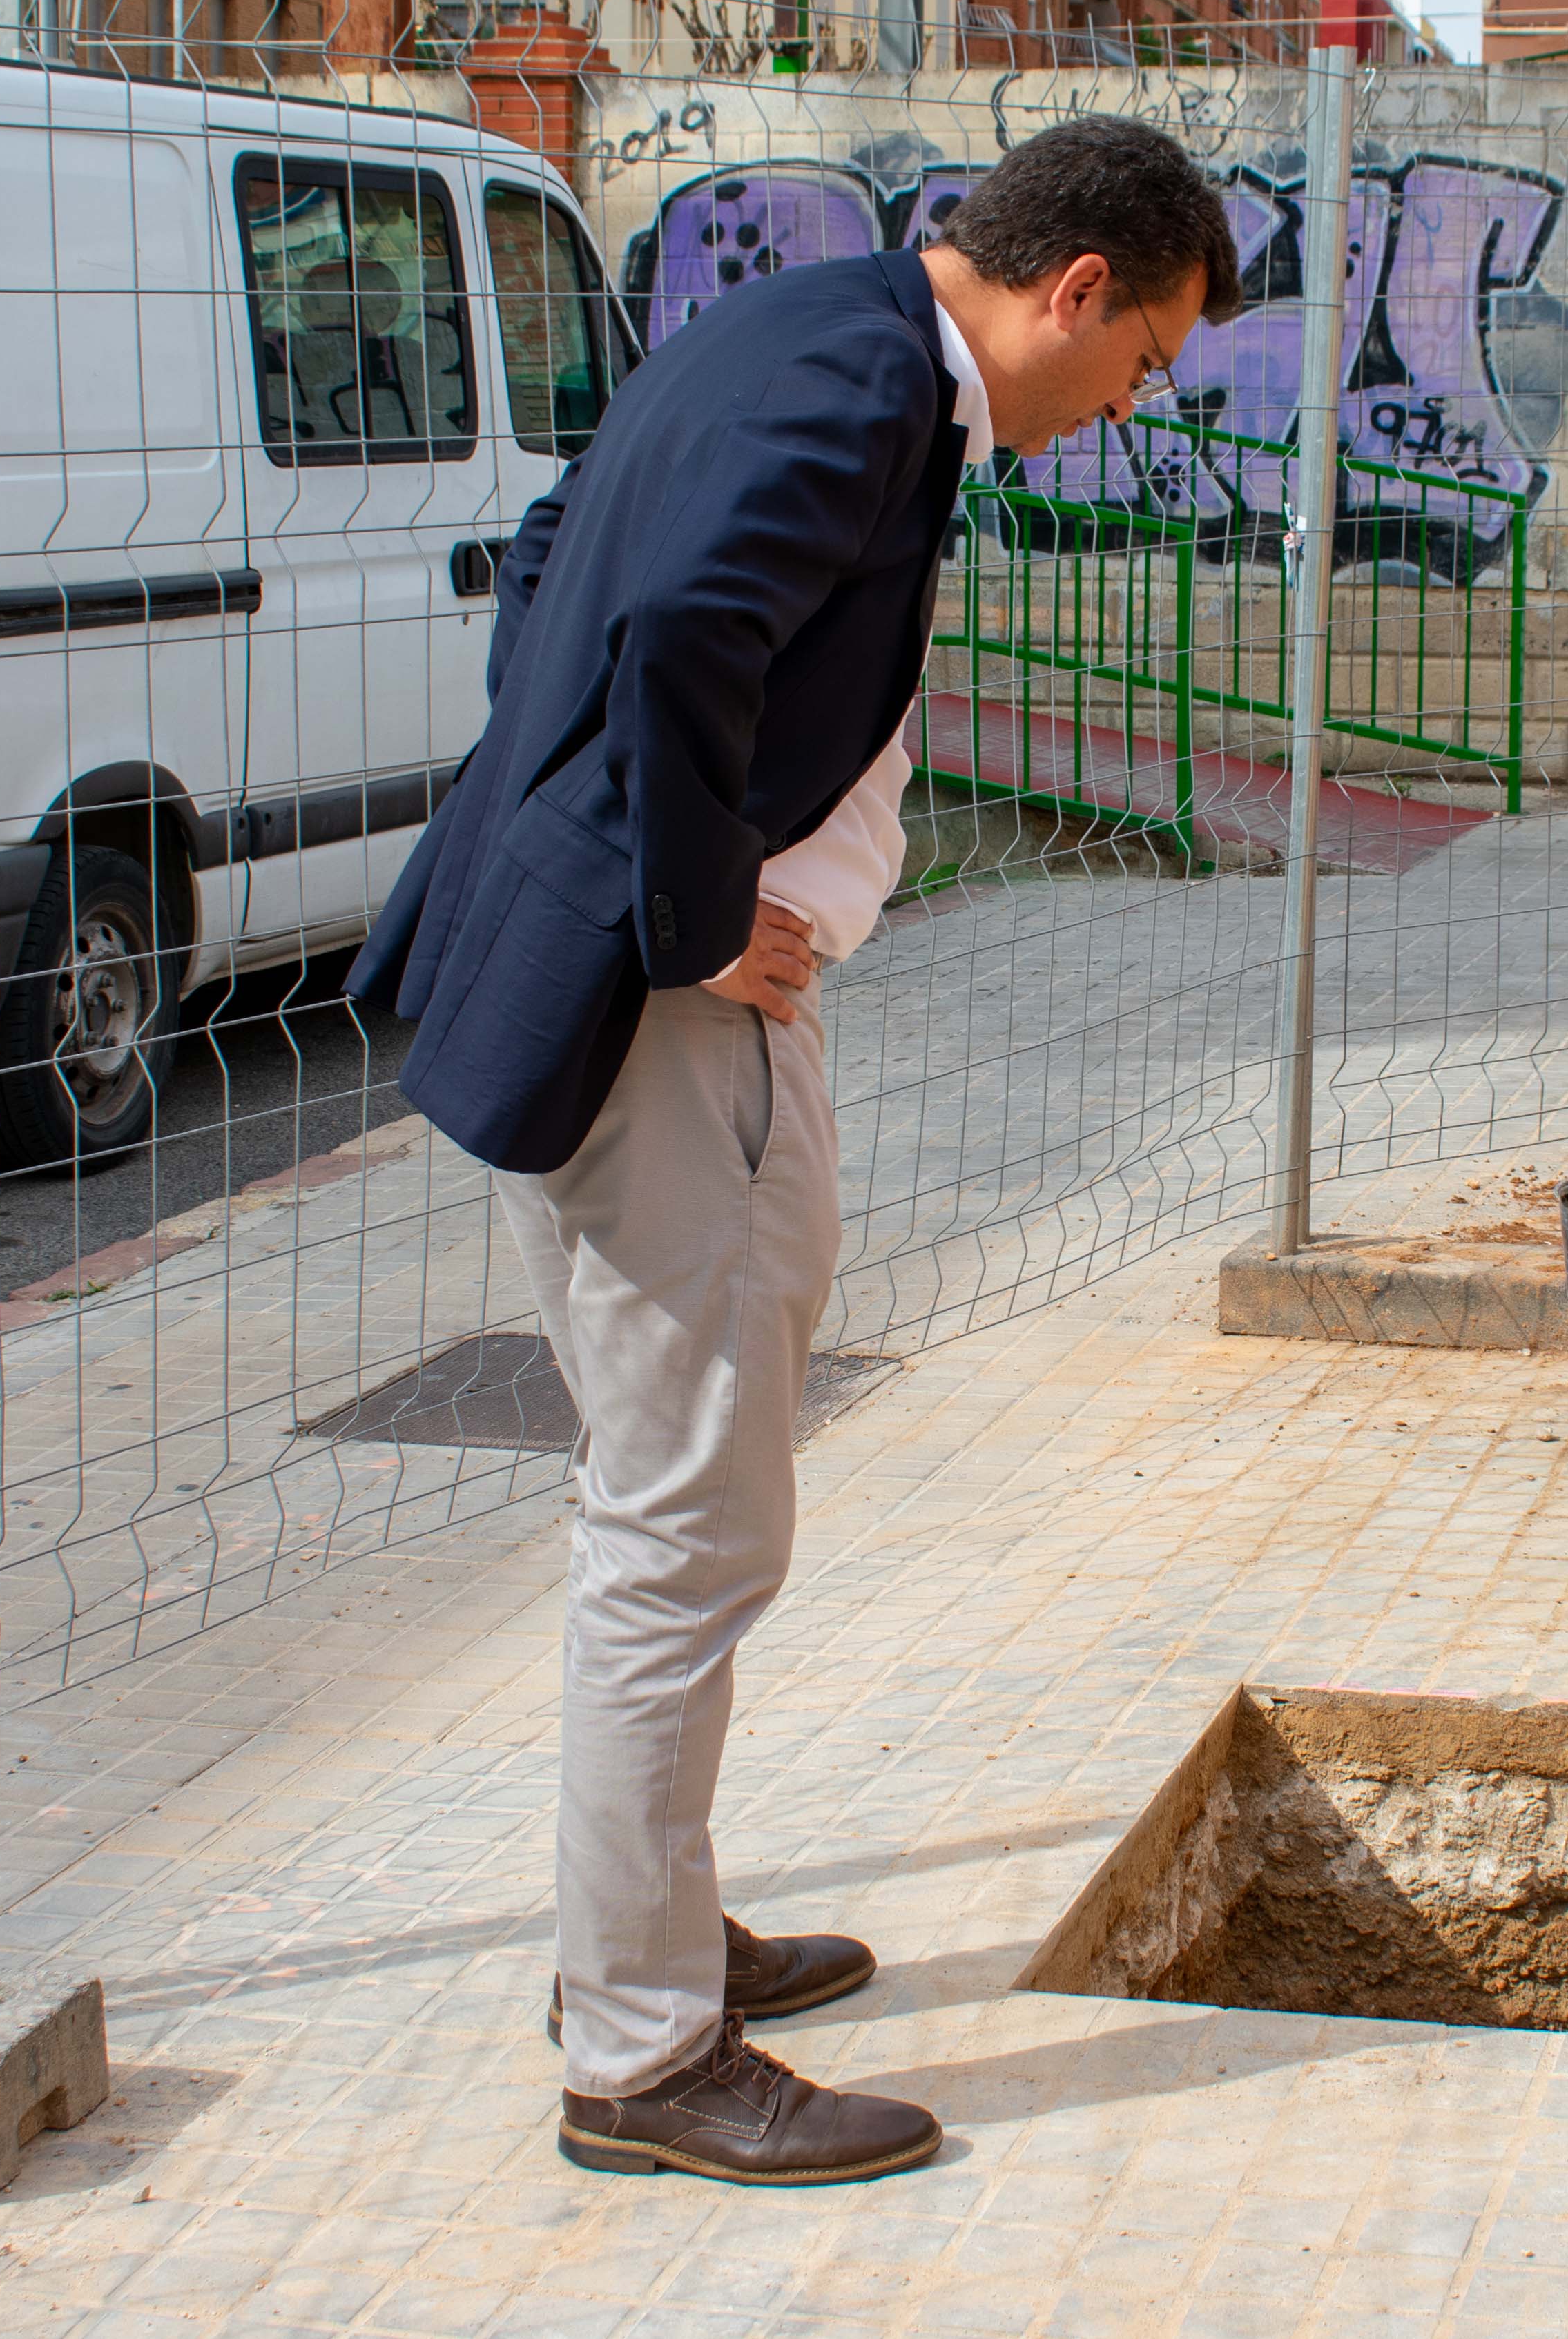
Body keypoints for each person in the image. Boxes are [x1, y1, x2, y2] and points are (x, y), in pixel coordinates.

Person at [346, 117, 1241, 2181]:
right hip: (675, 1024)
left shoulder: (800, 330)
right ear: (1074, 289)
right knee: (684, 1532)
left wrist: (591, 831)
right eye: (1147, 360)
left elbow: (558, 556)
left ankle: (645, 1946)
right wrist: (679, 903)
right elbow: (669, 629)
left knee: (675, 1497)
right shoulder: (857, 379)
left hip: (666, 1004)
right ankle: (643, 2056)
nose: (1136, 402)